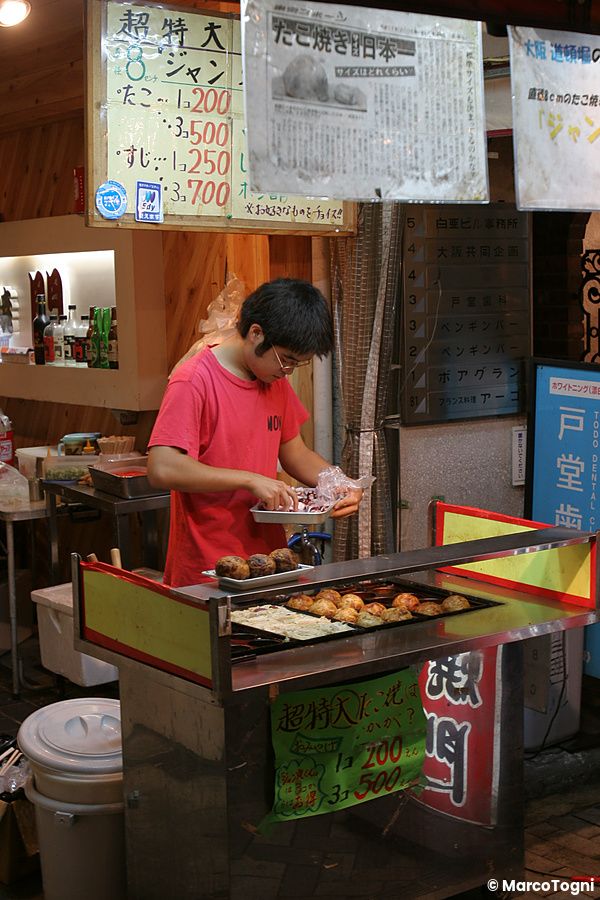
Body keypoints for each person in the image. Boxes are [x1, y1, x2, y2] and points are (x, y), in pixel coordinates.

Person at [147, 278, 363, 588]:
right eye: (286, 360)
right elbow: (162, 467)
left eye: (297, 364)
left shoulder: (274, 381)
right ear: (256, 333)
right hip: (209, 567)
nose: (288, 371)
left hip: (269, 562)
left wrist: (338, 482)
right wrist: (249, 479)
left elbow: (295, 453)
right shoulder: (194, 380)